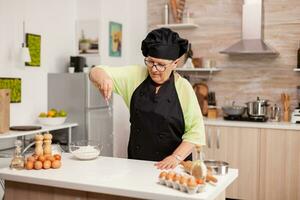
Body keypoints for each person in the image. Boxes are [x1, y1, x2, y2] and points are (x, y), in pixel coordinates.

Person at [89, 28, 205, 170]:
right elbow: (95, 71)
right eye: (150, 62)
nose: (154, 69)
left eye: (161, 65)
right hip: (137, 164)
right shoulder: (135, 76)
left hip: (175, 166)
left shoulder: (184, 88)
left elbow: (196, 131)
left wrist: (176, 157)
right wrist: (104, 78)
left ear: (175, 63)